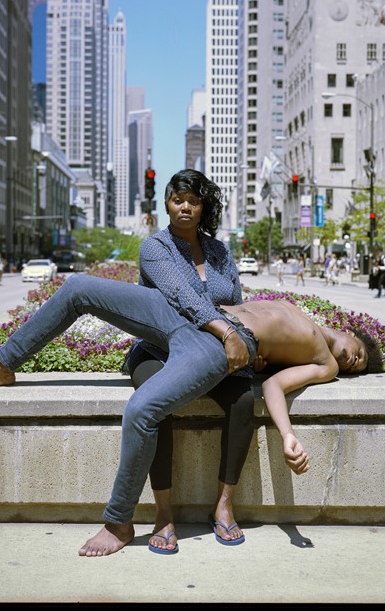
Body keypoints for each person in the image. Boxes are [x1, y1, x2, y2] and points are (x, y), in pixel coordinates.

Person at [0, 268, 384, 557]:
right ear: (351, 334)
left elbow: (273, 384)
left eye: (358, 366)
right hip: (193, 313)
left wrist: (288, 435)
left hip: (219, 345)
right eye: (358, 352)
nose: (351, 360)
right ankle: (3, 366)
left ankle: (118, 525)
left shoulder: (324, 363)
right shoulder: (301, 311)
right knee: (78, 287)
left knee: (142, 408)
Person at [124, 170, 251, 551]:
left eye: (193, 201)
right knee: (154, 399)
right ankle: (164, 514)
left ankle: (225, 506)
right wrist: (224, 328)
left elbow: (236, 300)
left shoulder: (220, 251)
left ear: (202, 206)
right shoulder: (155, 248)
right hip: (159, 348)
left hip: (212, 351)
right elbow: (182, 297)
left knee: (244, 399)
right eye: (178, 200)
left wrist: (237, 337)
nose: (184, 207)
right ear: (167, 204)